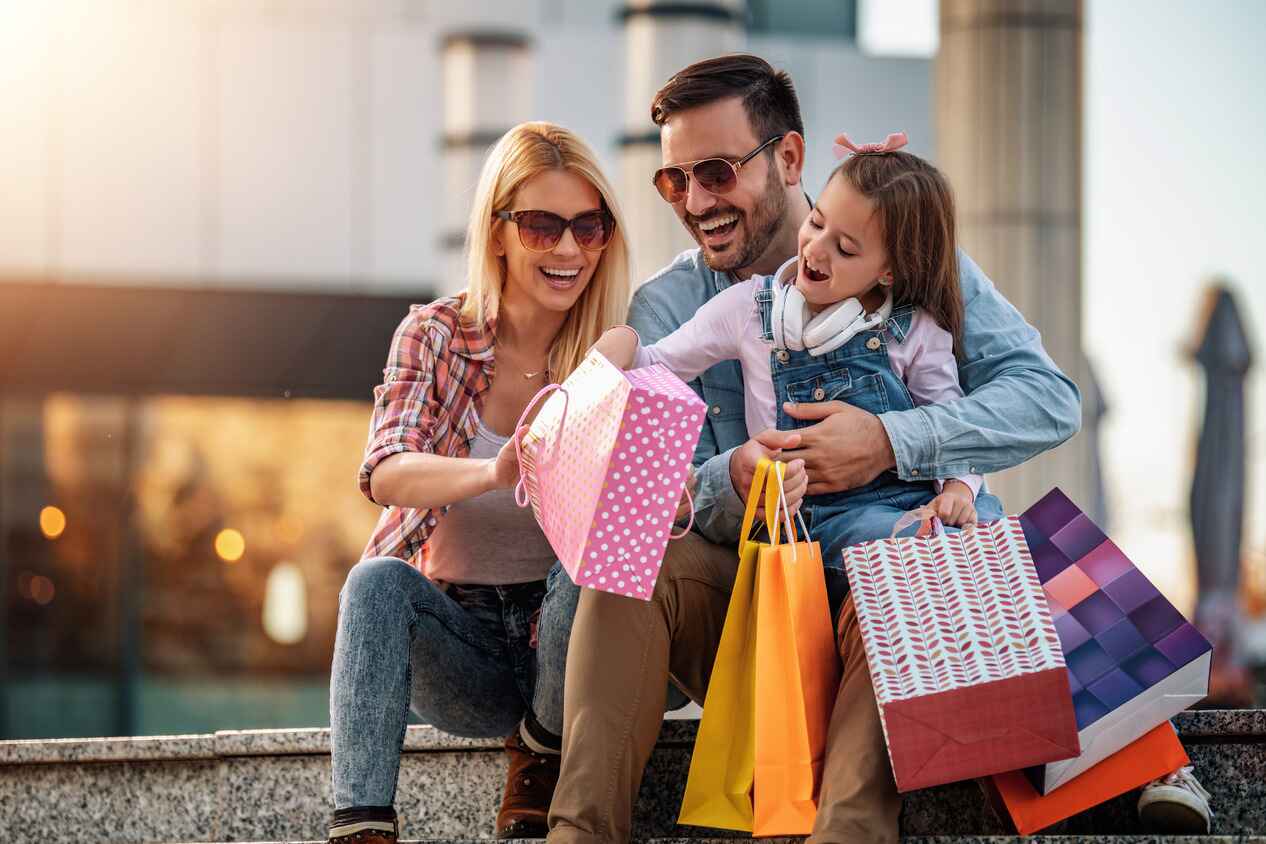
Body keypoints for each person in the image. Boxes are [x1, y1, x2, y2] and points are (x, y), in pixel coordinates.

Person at [538, 54, 1205, 843]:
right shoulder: (676, 302)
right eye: (674, 181)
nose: (696, 202)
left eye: (715, 172)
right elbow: (644, 488)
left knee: (947, 562)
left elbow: (1047, 399)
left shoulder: (919, 264)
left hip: (896, 587)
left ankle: (1135, 745)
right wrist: (733, 475)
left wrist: (889, 441)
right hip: (756, 605)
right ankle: (578, 834)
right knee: (629, 554)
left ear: (789, 159)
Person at [326, 122, 631, 844]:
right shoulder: (433, 334)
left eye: (589, 227)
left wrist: (612, 357)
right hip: (462, 643)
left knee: (590, 565)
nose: (568, 250)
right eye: (540, 225)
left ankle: (544, 747)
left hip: (569, 647)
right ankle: (361, 826)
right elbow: (386, 471)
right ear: (496, 233)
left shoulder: (612, 346)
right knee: (374, 583)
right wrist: (492, 472)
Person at [592, 131, 1003, 560]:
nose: (815, 249)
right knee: (914, 551)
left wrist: (958, 490)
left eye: (845, 248)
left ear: (889, 272)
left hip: (920, 508)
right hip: (819, 523)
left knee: (1007, 548)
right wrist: (623, 343)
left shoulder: (916, 331)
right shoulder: (749, 308)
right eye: (818, 223)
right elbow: (657, 364)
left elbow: (948, 423)